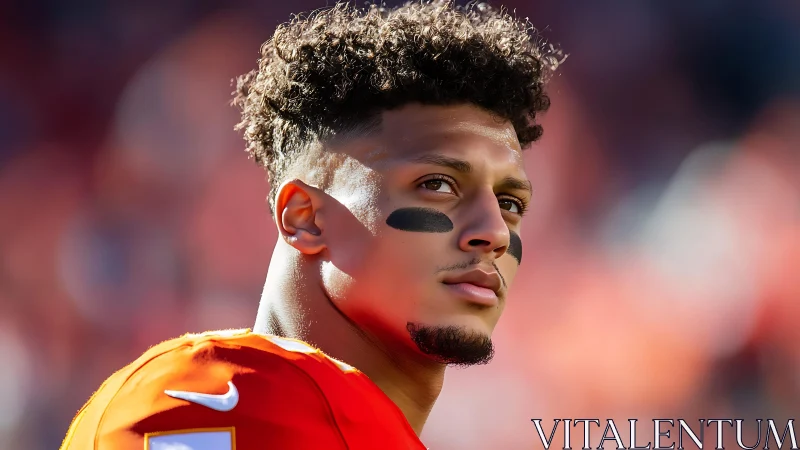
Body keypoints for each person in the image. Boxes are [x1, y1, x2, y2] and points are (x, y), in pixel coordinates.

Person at [60, 1, 562, 448]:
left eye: (510, 202)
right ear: (305, 218)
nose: (494, 232)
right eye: (437, 185)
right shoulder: (218, 403)